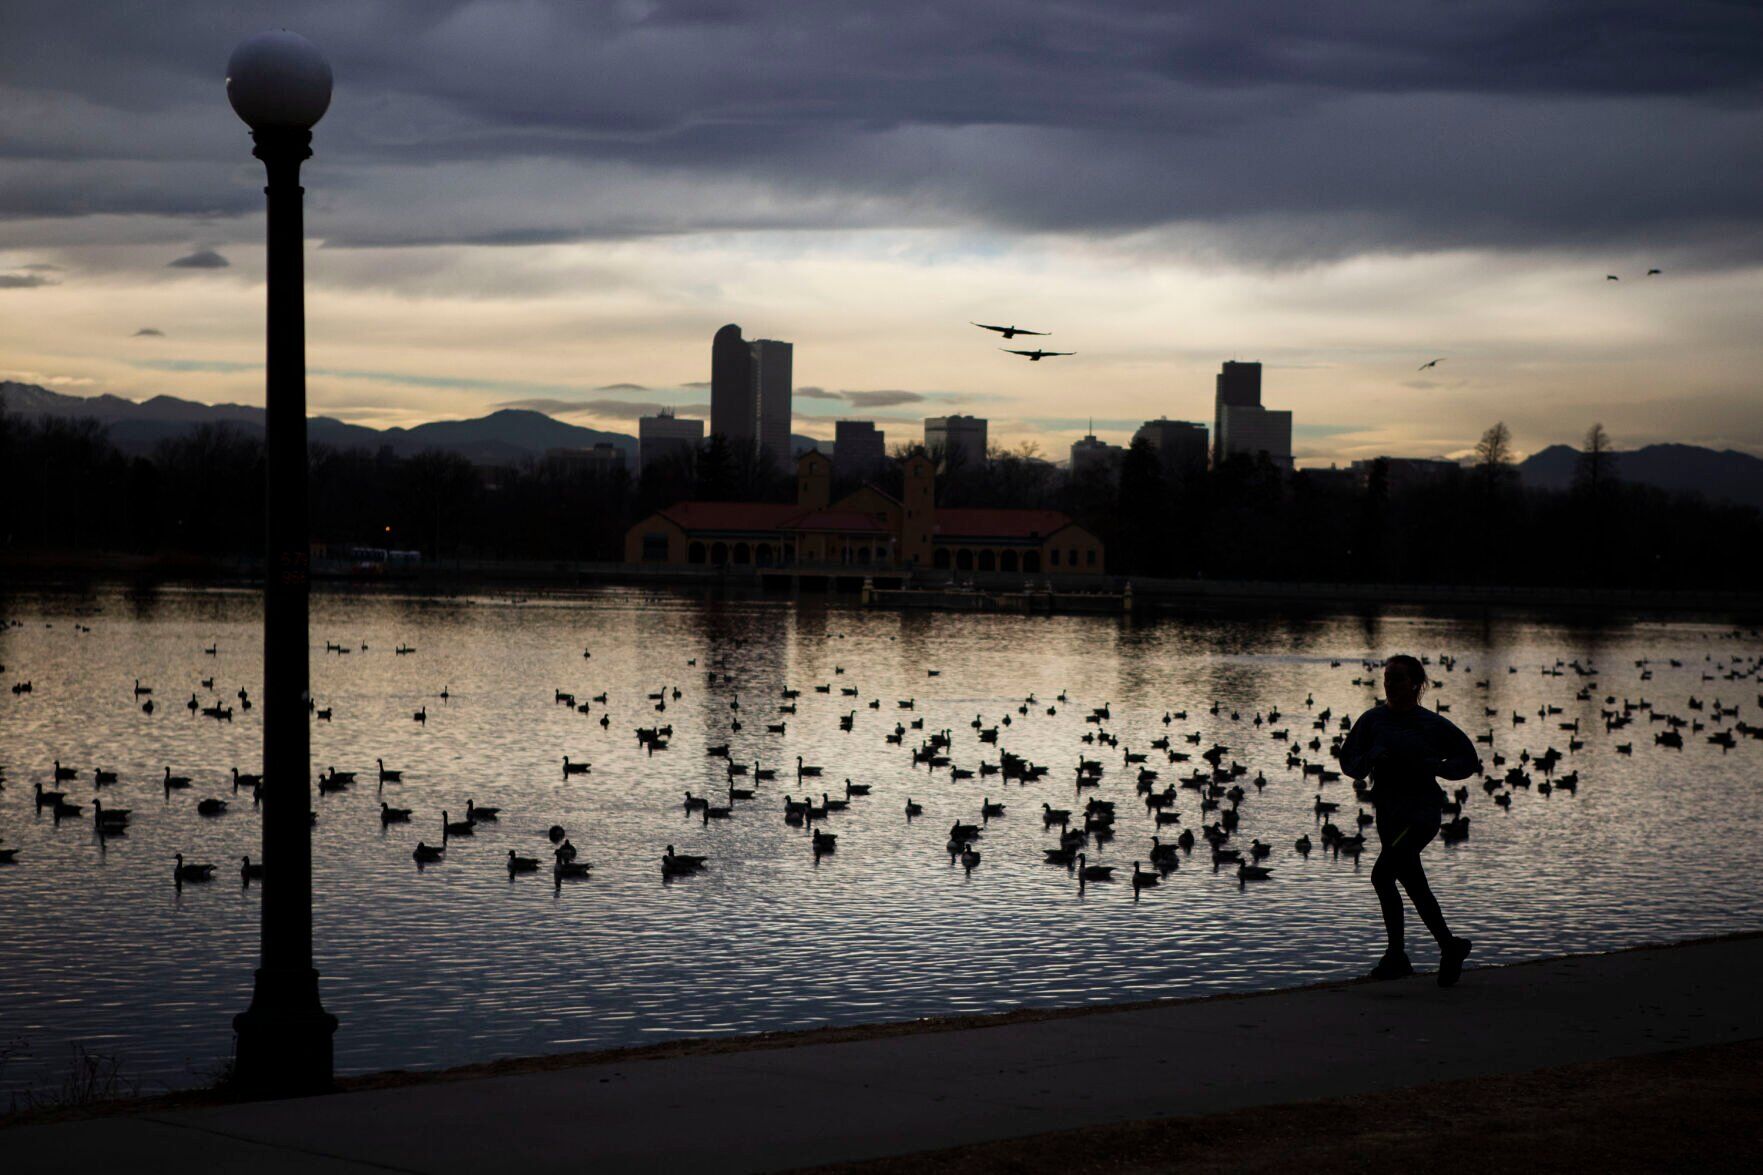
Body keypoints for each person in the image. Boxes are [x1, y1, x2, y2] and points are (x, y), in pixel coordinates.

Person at [1339, 654, 1478, 986]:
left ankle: (1399, 955)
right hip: (1388, 814)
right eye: (1387, 677)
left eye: (1398, 678)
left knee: (1383, 875)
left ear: (1415, 683)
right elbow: (1349, 762)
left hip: (1421, 815)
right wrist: (1369, 757)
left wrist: (1438, 767)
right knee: (1410, 880)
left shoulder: (1432, 724)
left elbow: (1468, 759)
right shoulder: (1372, 721)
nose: (1390, 683)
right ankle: (1447, 947)